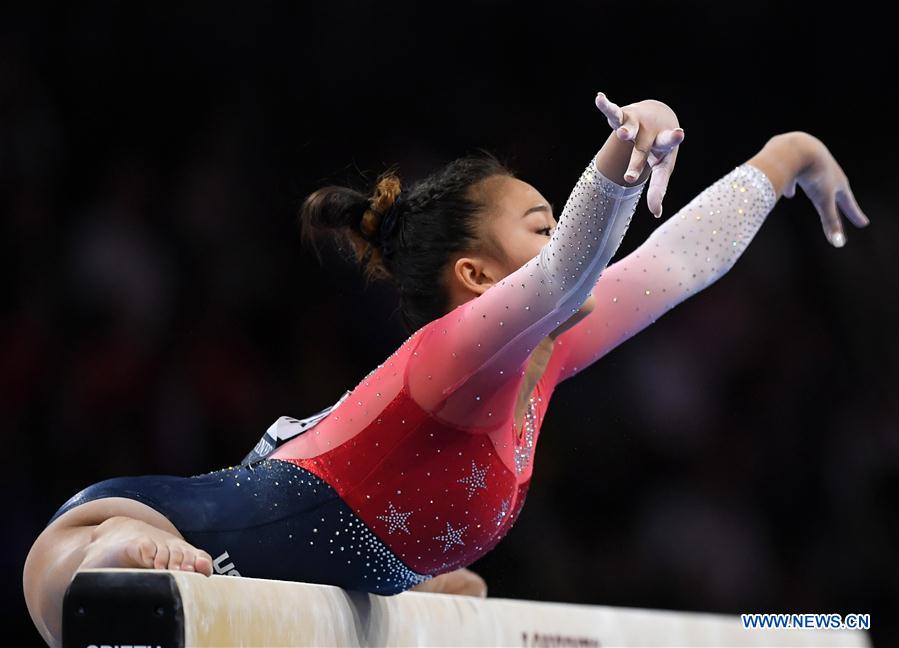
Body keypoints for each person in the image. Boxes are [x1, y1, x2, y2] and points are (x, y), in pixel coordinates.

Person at [23, 91, 869, 647]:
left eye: (554, 224)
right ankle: (130, 546)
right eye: (542, 224)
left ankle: (396, 580)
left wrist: (786, 156)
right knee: (67, 589)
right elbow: (572, 268)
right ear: (477, 280)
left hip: (293, 567)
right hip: (140, 529)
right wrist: (620, 153)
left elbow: (678, 263)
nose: (572, 249)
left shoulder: (544, 355)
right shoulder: (459, 349)